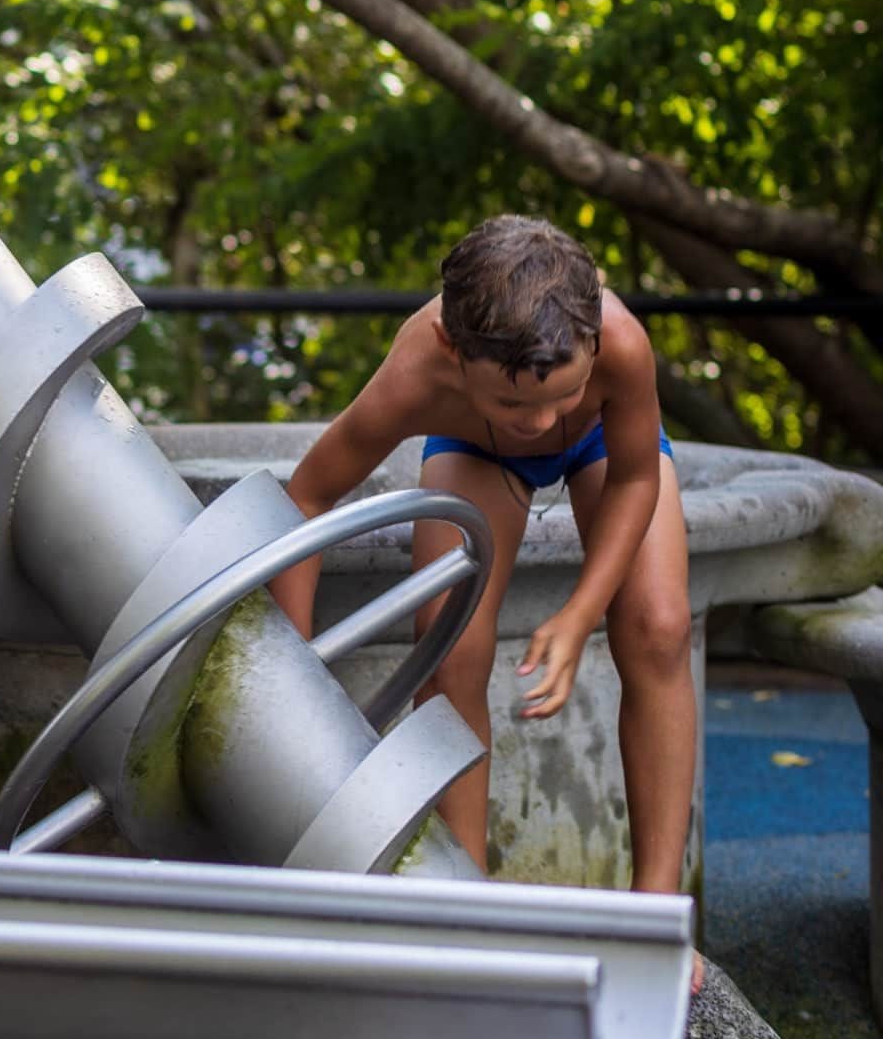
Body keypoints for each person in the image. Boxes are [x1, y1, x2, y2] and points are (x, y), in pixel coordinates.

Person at [276, 215, 698, 950]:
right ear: (452, 349)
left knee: (659, 628)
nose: (539, 422)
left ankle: (657, 913)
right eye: (515, 402)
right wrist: (293, 668)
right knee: (448, 655)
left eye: (562, 395)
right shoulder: (417, 368)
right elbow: (308, 496)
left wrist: (579, 613)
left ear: (593, 344)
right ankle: (463, 903)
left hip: (607, 452)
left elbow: (635, 478)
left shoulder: (620, 341)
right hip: (473, 448)